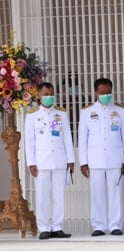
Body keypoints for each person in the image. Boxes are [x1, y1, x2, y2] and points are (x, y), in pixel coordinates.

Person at [77, 77, 124, 236]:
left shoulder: (121, 111)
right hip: (95, 160)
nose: (106, 95)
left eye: (108, 92)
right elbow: (82, 139)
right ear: (96, 92)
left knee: (116, 193)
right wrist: (83, 162)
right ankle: (99, 226)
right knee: (97, 194)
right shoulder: (87, 112)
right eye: (102, 92)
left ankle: (115, 225)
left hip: (116, 159)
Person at [25, 82, 74, 239]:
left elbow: (67, 137)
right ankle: (44, 227)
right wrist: (31, 163)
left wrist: (70, 159)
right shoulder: (32, 115)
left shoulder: (61, 114)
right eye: (45, 94)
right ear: (38, 96)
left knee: (58, 196)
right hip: (41, 162)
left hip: (59, 160)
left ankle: (57, 227)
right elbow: (29, 141)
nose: (49, 97)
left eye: (51, 94)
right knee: (42, 196)